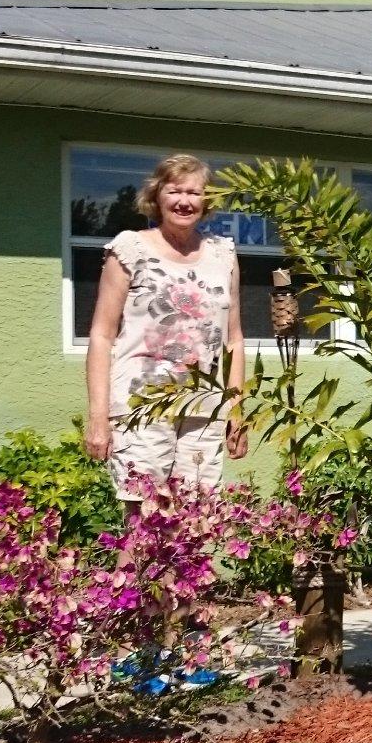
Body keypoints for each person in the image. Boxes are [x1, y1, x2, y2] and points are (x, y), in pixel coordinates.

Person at [84, 153, 248, 506]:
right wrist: (98, 417)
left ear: (207, 201)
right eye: (175, 191)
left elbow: (233, 339)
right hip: (141, 405)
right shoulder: (130, 249)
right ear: (157, 196)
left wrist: (236, 410)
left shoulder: (223, 255)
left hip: (204, 407)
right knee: (145, 517)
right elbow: (101, 335)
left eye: (195, 193)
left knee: (195, 520)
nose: (185, 201)